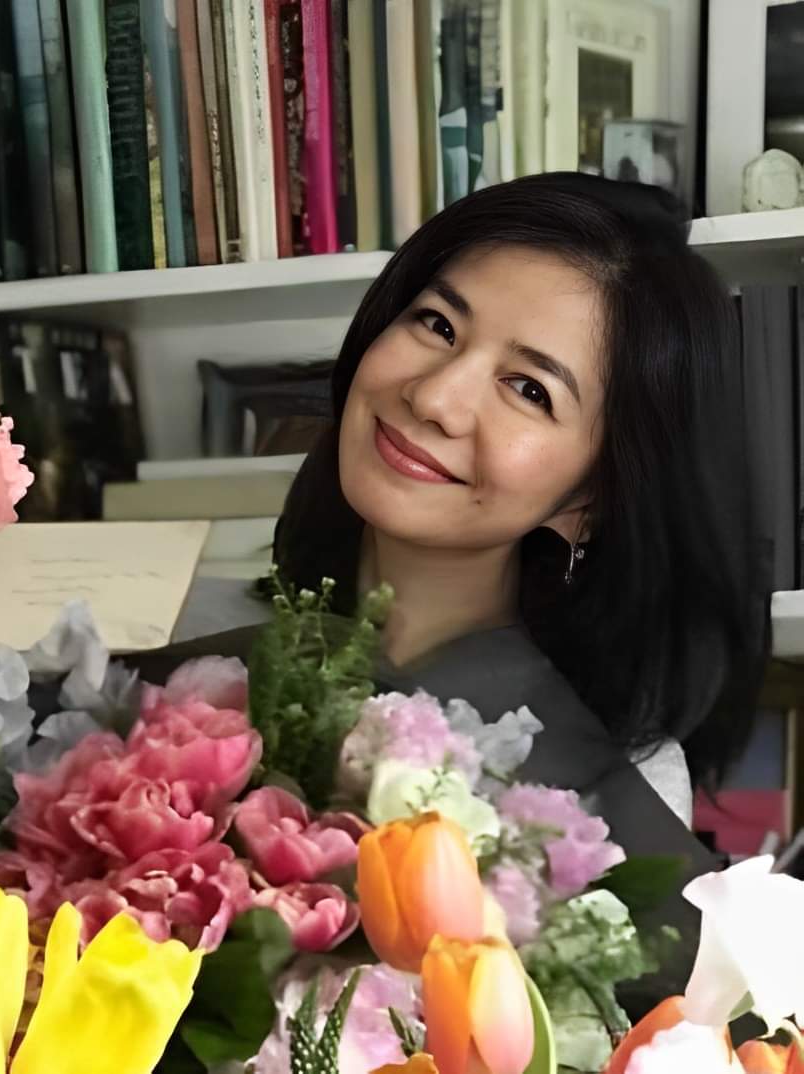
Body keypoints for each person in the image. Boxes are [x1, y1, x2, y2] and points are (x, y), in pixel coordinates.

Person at [132, 172, 770, 1002]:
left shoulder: (626, 773)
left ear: (593, 494)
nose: (434, 397)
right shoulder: (179, 647)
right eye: (436, 324)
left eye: (529, 389)